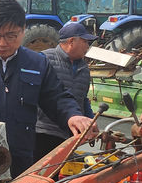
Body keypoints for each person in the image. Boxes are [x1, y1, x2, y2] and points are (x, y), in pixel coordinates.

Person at [0, 0, 95, 177]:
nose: (2, 43)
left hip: (20, 158)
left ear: (23, 31)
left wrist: (73, 115)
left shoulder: (37, 63)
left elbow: (56, 97)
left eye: (10, 36)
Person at [34, 22, 97, 158]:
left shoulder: (84, 68)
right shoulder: (44, 60)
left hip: (67, 134)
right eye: (85, 41)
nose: (87, 46)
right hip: (43, 132)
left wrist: (90, 121)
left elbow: (83, 99)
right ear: (71, 41)